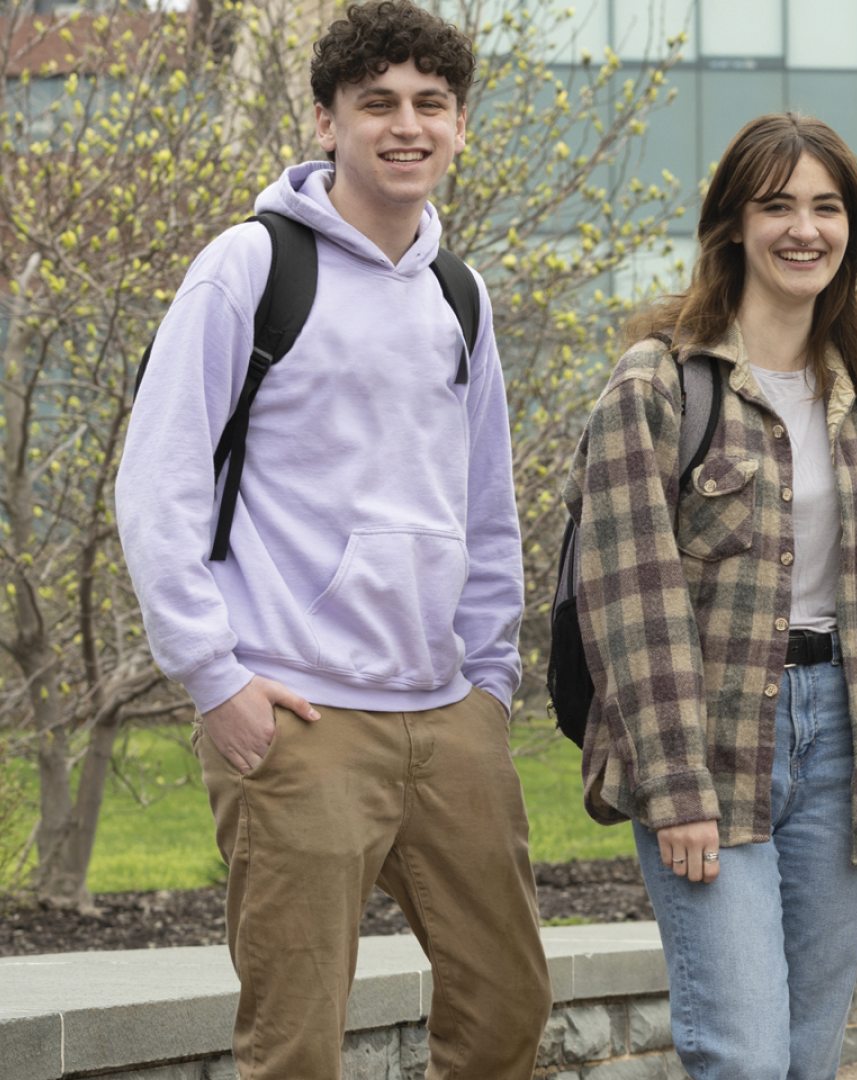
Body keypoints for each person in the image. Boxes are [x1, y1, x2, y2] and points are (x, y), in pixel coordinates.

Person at [115, 2, 549, 1075]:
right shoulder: (251, 267)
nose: (407, 126)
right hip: (299, 714)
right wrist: (216, 679)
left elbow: (484, 506)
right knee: (294, 1045)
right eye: (378, 105)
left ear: (459, 127)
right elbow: (156, 481)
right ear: (326, 121)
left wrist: (489, 682)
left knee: (507, 1015)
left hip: (448, 715)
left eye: (431, 106)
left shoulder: (460, 293)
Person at [564, 112, 857, 1079]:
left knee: (807, 1059)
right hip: (712, 747)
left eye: (826, 208)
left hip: (845, 752)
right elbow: (629, 601)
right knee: (741, 1055)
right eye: (776, 205)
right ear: (732, 224)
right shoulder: (656, 388)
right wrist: (676, 787)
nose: (802, 229)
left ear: (853, 232)